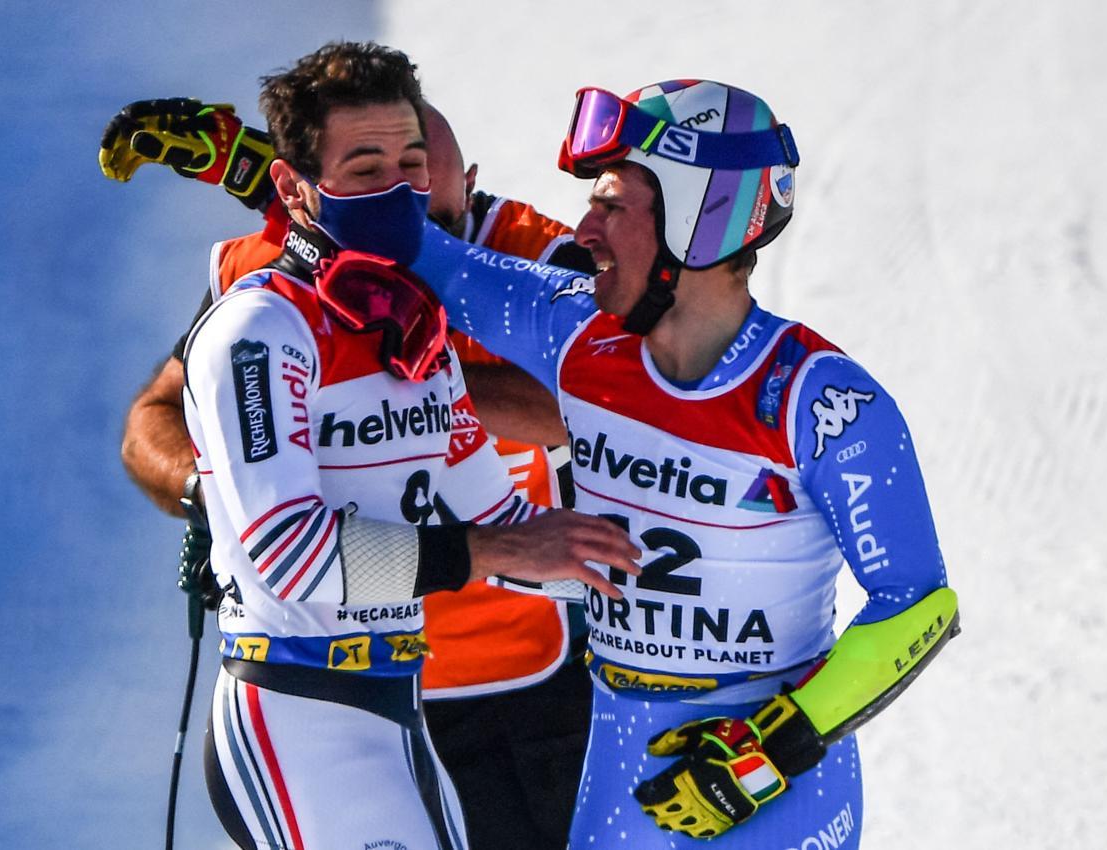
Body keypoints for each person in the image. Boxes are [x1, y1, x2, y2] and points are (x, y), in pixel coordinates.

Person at [388, 79, 961, 847]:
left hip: (767, 790)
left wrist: (770, 749)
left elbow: (916, 605)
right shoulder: (576, 333)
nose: (583, 230)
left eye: (612, 206)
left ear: (700, 218)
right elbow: (427, 253)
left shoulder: (817, 399)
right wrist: (266, 167)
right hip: (620, 770)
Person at [113, 42, 641, 850]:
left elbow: (509, 510)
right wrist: (213, 492)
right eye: (366, 169)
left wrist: (659, 593)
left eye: (413, 168)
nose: (401, 198)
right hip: (297, 704)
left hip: (416, 693)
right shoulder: (260, 325)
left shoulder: (417, 324)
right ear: (292, 187)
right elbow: (287, 555)